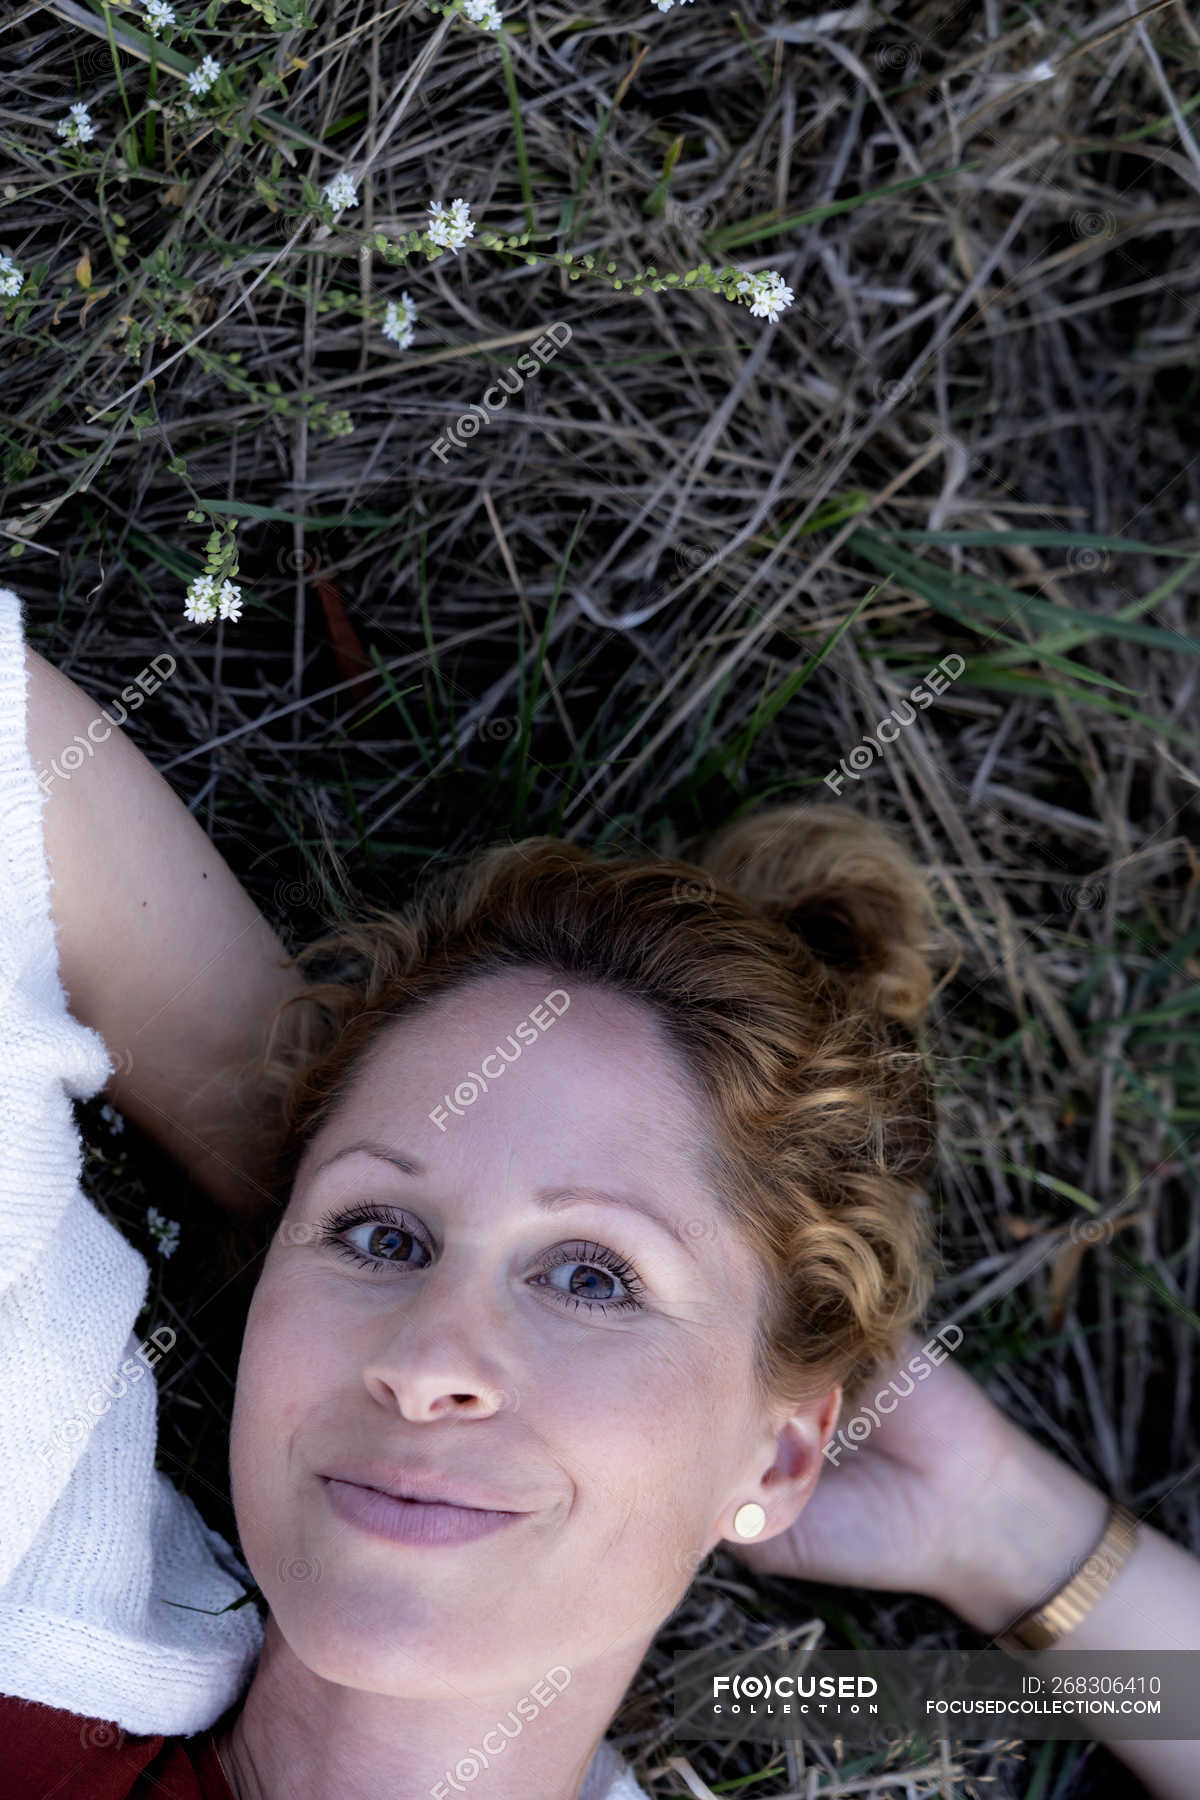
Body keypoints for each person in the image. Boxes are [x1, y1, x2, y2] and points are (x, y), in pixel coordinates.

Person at [0, 584, 1194, 1800]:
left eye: (589, 1276)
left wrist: (1002, 1531)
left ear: (785, 1455)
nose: (425, 1364)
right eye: (381, 1239)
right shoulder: (36, 1554)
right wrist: (310, 1119)